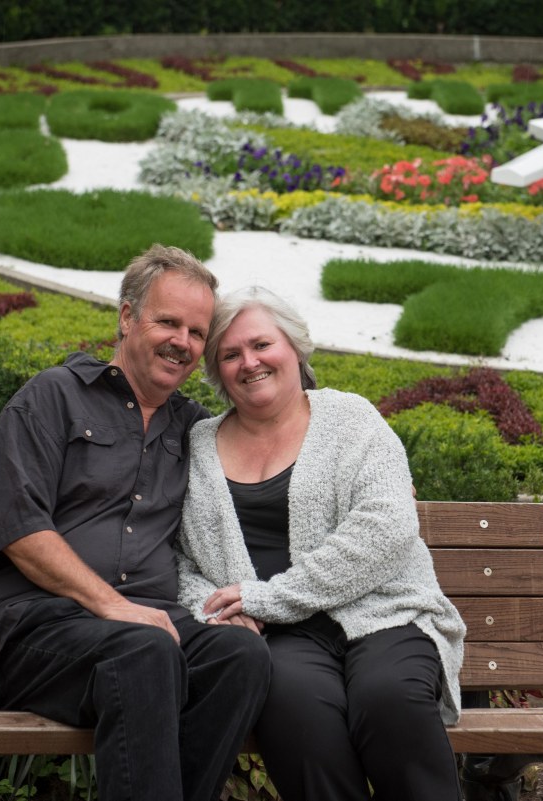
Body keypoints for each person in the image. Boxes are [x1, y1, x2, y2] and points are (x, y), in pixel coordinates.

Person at [0, 245, 271, 801]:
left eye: (197, 333)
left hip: (147, 633)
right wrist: (112, 605)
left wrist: (368, 472)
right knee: (143, 651)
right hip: (34, 628)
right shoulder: (53, 396)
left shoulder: (195, 430)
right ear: (127, 317)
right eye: (168, 322)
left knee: (239, 657)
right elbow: (16, 525)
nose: (182, 342)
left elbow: (280, 445)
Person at [175, 286, 467, 801]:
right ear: (217, 370)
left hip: (384, 613)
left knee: (388, 698)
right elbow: (179, 558)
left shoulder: (352, 420)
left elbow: (387, 528)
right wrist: (215, 609)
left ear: (294, 347)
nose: (249, 362)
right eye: (230, 354)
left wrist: (268, 597)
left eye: (261, 344)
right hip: (280, 640)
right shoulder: (197, 446)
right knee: (294, 708)